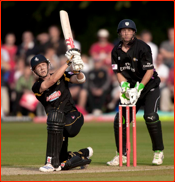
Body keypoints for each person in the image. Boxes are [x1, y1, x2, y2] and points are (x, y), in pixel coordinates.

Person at [107, 19, 164, 166]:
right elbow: (117, 71)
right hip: (131, 89)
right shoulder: (115, 50)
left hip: (148, 86)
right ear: (120, 33)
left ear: (134, 32)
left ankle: (158, 152)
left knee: (150, 116)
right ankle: (122, 155)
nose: (126, 33)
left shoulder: (143, 47)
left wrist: (139, 88)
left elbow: (149, 70)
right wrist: (125, 86)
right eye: (123, 31)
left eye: (129, 30)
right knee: (120, 119)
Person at [30, 49, 93, 172]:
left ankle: (50, 163)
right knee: (62, 163)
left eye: (43, 65)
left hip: (73, 117)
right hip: (56, 125)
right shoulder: (36, 87)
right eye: (38, 67)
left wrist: (78, 70)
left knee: (58, 122)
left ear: (48, 65)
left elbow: (80, 79)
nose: (42, 68)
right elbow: (51, 81)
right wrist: (68, 62)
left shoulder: (63, 75)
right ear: (34, 71)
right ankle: (83, 154)